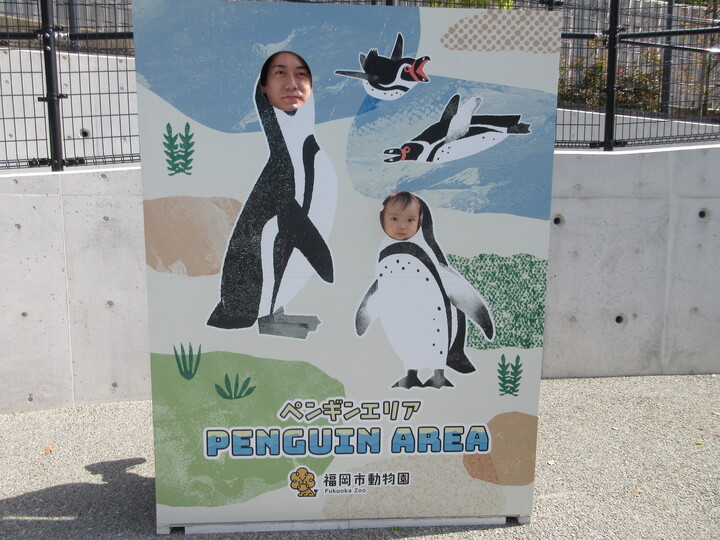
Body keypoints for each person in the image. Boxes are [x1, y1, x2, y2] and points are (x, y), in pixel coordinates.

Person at [207, 51, 337, 339]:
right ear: (263, 88)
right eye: (280, 73)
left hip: (259, 289)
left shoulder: (301, 151)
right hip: (244, 302)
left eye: (301, 74)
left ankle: (274, 310)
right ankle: (265, 315)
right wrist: (322, 260)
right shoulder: (288, 163)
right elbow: (294, 226)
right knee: (275, 234)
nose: (292, 83)